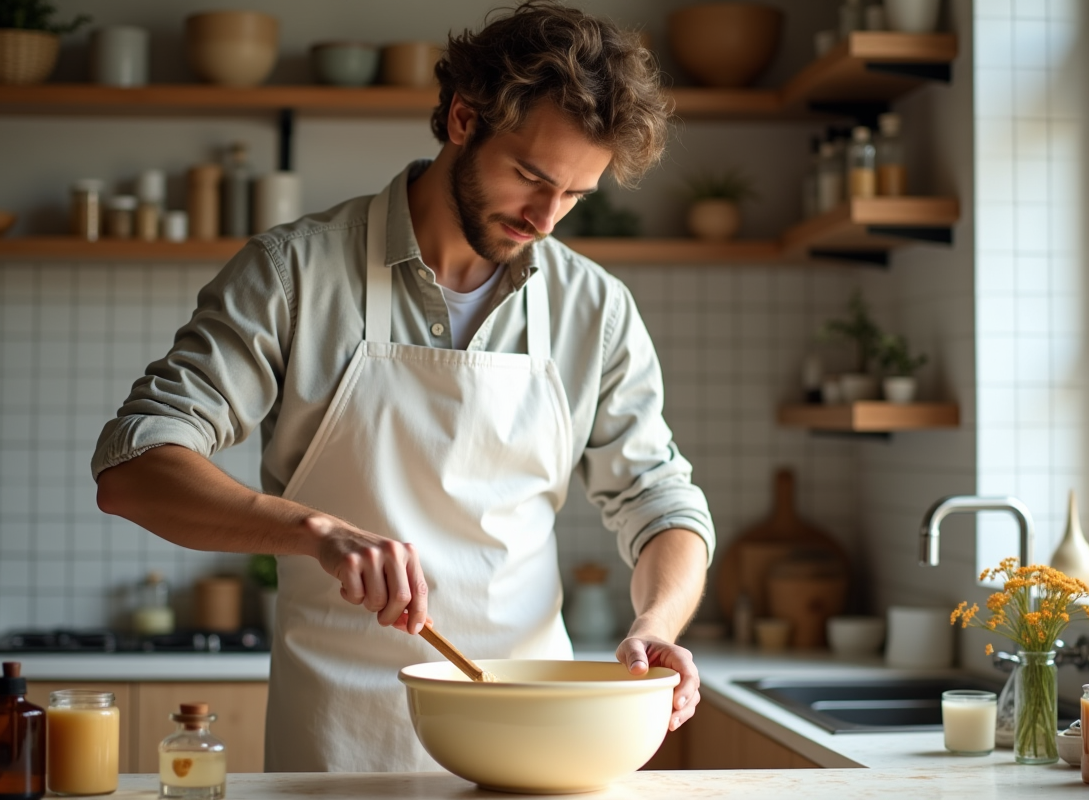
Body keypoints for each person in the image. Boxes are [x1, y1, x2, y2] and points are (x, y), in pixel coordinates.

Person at [93, 1, 714, 772]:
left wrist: (656, 621)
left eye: (576, 197)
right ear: (462, 119)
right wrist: (313, 532)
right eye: (530, 177)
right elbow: (133, 469)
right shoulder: (296, 274)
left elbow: (661, 501)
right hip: (339, 746)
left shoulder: (594, 308)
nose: (547, 218)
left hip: (533, 748)